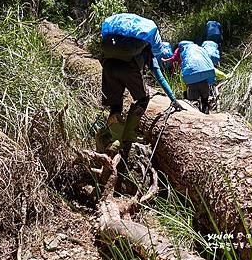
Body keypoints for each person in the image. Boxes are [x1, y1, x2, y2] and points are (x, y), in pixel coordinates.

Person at [97, 13, 183, 154]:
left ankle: (115, 139)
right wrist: (173, 99)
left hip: (108, 66)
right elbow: (160, 78)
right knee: (143, 98)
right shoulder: (147, 50)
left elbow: (103, 59)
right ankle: (129, 133)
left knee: (115, 105)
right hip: (129, 68)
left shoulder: (117, 40)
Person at [162, 41, 229, 114]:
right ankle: (206, 116)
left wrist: (184, 92)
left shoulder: (185, 55)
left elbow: (182, 76)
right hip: (204, 81)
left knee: (194, 105)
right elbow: (210, 68)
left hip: (191, 82)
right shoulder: (201, 50)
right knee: (205, 102)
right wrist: (225, 76)